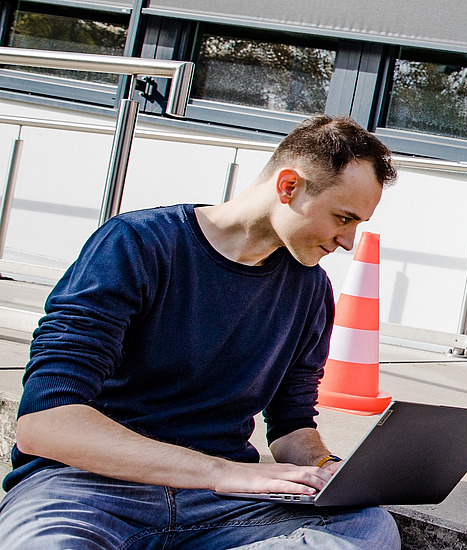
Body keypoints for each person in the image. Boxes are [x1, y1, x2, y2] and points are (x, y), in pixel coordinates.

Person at [0, 115, 401, 548]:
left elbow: (291, 424)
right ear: (289, 187)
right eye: (343, 218)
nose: (348, 241)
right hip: (87, 488)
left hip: (220, 507)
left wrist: (324, 467)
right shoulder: (137, 245)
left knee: (367, 528)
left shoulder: (310, 290)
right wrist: (222, 472)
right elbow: (46, 423)